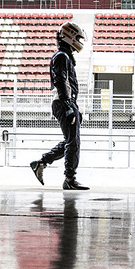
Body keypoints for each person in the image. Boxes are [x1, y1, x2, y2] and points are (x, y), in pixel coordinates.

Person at [30, 21, 90, 190]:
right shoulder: (61, 56)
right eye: (77, 37)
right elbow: (60, 81)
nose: (79, 41)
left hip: (66, 103)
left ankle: (41, 163)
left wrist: (73, 106)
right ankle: (69, 179)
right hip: (64, 103)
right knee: (73, 143)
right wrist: (68, 105)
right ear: (69, 37)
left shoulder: (64, 56)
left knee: (70, 141)